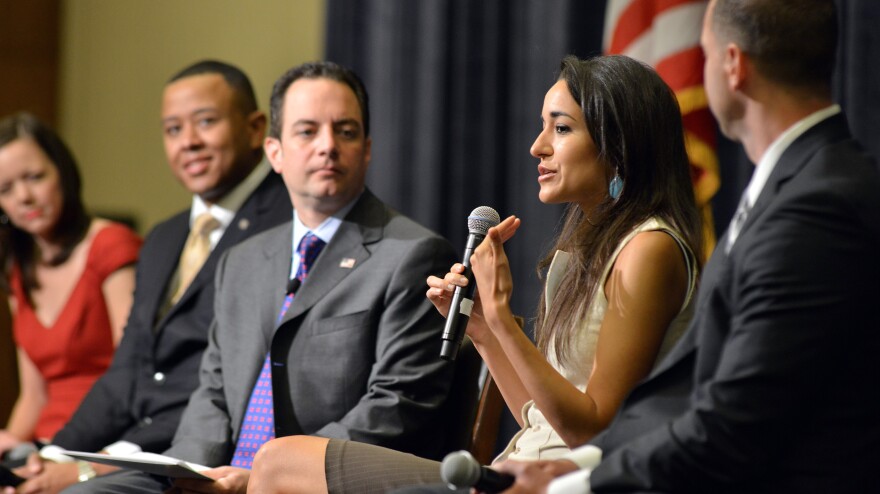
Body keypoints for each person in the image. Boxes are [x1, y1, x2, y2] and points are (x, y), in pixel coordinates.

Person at [246, 54, 704, 494]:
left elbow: (592, 430)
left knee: (279, 464)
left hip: (566, 484)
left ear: (618, 144)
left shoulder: (649, 249)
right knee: (277, 462)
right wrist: (484, 328)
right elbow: (538, 417)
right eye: (543, 125)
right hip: (515, 468)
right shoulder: (583, 251)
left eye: (561, 128)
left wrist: (504, 319)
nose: (537, 146)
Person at [483, 0, 880, 492]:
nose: (538, 145)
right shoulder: (795, 187)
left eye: (706, 56)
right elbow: (680, 397)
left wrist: (577, 481)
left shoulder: (816, 205)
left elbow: (736, 419)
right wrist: (579, 464)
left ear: (732, 65)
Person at [65, 60, 458, 494]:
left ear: (366, 149)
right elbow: (213, 391)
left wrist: (265, 479)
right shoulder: (242, 260)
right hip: (218, 478)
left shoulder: (413, 254)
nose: (327, 146)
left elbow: (397, 407)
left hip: (317, 482)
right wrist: (192, 474)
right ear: (275, 152)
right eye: (307, 131)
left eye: (345, 132)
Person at [7, 60, 291, 493]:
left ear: (255, 128)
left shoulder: (288, 224)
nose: (189, 142)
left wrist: (94, 467)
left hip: (203, 458)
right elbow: (128, 369)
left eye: (206, 122)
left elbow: (228, 381)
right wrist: (54, 456)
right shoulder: (166, 235)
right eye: (173, 130)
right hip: (127, 445)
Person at [0, 113, 142, 459]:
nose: (24, 197)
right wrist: (8, 448)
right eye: (5, 189)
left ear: (62, 172)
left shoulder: (111, 245)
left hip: (101, 444)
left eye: (34, 177)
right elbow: (34, 395)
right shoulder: (19, 270)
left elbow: (133, 372)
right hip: (41, 447)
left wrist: (56, 455)